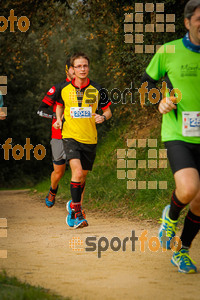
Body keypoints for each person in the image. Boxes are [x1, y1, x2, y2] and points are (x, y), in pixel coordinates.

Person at [141, 0, 200, 273]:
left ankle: (181, 251)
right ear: (187, 22)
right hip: (179, 131)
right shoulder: (169, 51)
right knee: (188, 189)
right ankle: (170, 216)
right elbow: (147, 82)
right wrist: (159, 101)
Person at [54, 52, 112, 229]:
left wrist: (103, 117)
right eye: (78, 66)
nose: (82, 69)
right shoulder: (63, 89)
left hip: (90, 138)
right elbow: (59, 105)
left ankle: (74, 204)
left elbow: (108, 111)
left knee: (82, 176)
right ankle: (77, 213)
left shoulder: (98, 89)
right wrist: (58, 119)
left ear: (89, 67)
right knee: (77, 173)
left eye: (85, 65)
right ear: (72, 69)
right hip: (70, 136)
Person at [37, 58, 75, 207]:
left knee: (78, 171)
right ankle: (53, 190)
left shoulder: (86, 88)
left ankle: (76, 204)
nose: (76, 70)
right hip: (58, 134)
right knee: (59, 172)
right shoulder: (58, 88)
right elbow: (41, 110)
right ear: (67, 70)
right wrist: (57, 117)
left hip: (77, 134)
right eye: (72, 67)